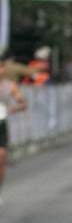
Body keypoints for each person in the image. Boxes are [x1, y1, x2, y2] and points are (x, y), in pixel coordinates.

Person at [0, 62, 29, 206]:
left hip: (1, 124)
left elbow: (23, 104)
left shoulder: (9, 86)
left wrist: (12, 109)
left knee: (1, 157)